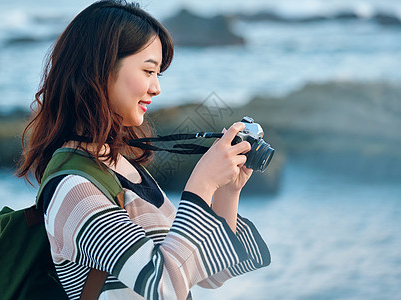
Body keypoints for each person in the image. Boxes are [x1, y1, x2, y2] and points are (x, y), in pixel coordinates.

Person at [17, 1, 270, 299]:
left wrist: (227, 191)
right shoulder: (73, 189)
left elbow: (208, 274)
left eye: (158, 75)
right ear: (100, 70)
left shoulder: (120, 167)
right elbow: (162, 288)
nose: (156, 88)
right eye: (148, 71)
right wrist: (201, 185)